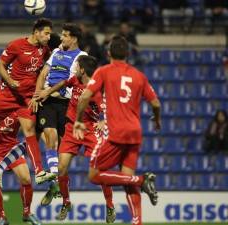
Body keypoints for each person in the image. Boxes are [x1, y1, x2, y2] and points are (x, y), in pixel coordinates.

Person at [74, 36, 161, 225]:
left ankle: (142, 180)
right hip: (135, 133)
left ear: (108, 53)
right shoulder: (139, 75)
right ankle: (137, 221)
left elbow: (84, 97)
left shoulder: (104, 71)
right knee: (126, 179)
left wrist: (78, 121)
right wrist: (157, 120)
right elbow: (155, 103)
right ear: (128, 54)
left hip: (116, 133)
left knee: (94, 175)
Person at [0, 18, 56, 185]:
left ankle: (40, 172)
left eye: (50, 34)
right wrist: (10, 81)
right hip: (6, 94)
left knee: (29, 130)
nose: (49, 37)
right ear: (36, 32)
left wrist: (37, 93)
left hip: (25, 98)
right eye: (46, 33)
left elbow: (46, 70)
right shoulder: (16, 45)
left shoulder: (45, 50)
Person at [35, 55, 116, 223]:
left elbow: (107, 109)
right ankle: (66, 202)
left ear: (83, 70)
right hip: (72, 128)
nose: (75, 68)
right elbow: (63, 83)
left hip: (90, 130)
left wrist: (104, 120)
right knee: (62, 168)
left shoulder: (95, 90)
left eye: (77, 66)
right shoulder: (75, 80)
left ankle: (109, 205)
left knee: (99, 170)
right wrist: (47, 91)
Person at [31, 23, 87, 204]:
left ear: (74, 38)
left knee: (62, 160)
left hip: (67, 105)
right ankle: (54, 183)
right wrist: (37, 96)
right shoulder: (56, 52)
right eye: (61, 35)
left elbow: (77, 82)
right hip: (48, 102)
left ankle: (55, 184)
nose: (61, 38)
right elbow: (42, 74)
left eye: (64, 35)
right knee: (51, 137)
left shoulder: (82, 57)